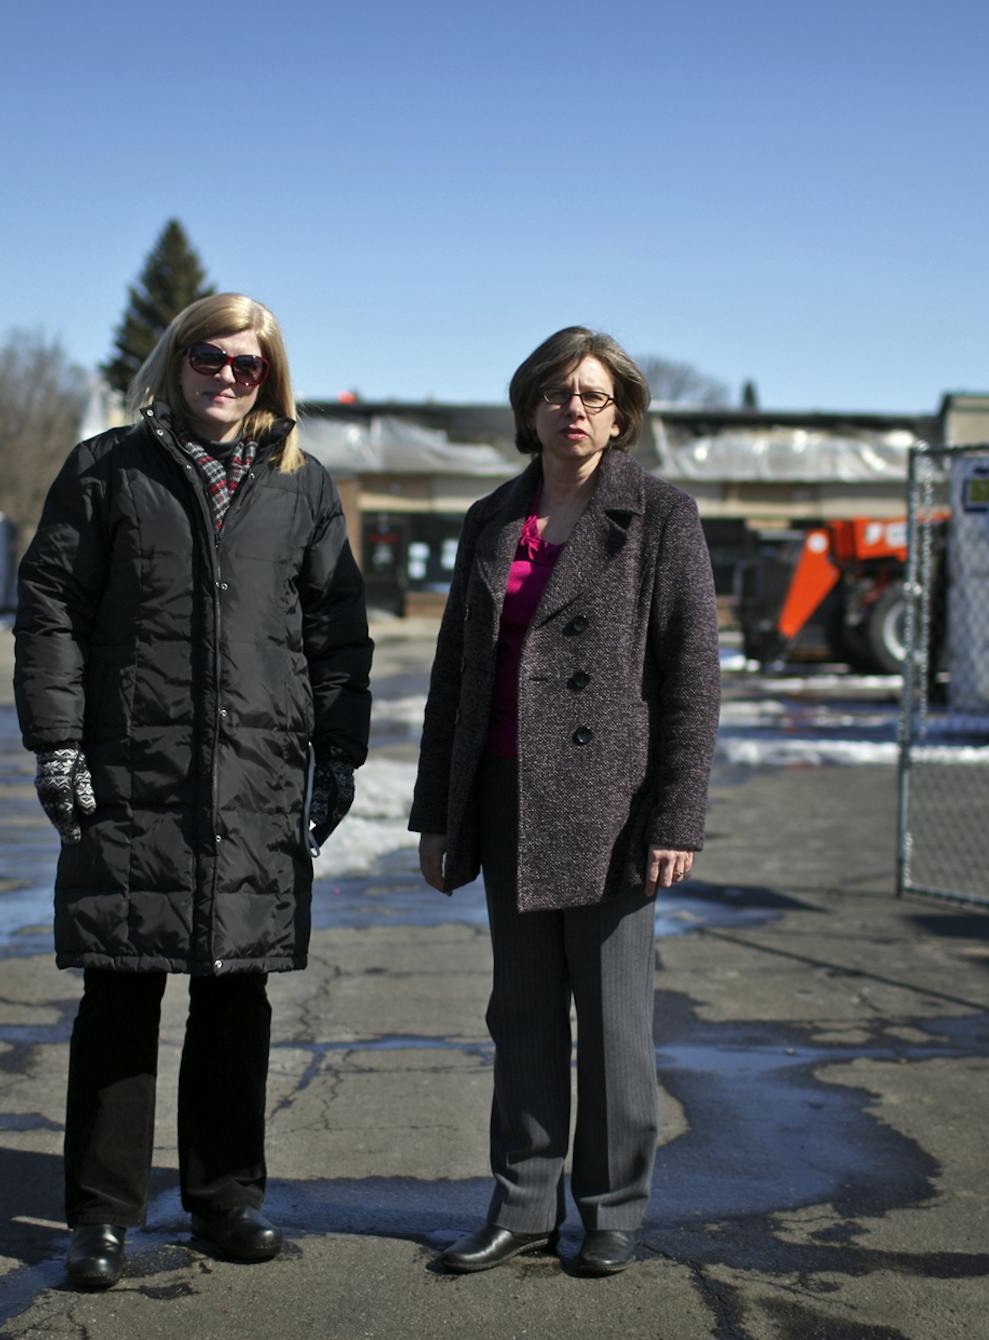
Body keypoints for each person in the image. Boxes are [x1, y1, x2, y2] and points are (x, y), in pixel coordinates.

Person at [14, 293, 371, 1290]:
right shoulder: (107, 469)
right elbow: (52, 607)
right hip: (134, 770)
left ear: (269, 378)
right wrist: (58, 743)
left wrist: (338, 753)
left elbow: (336, 630)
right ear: (175, 362)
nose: (226, 376)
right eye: (209, 357)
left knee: (235, 989)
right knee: (120, 986)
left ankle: (225, 1199)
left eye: (246, 364)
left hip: (255, 774)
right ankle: (101, 1215)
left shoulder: (301, 484)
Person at [409, 326, 720, 1276]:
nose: (573, 409)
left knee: (616, 1024)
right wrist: (437, 815)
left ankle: (614, 1208)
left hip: (612, 807)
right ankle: (523, 1206)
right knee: (523, 1013)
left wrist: (676, 816)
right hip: (505, 794)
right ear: (529, 409)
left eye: (592, 395)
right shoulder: (493, 517)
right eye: (556, 393)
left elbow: (693, 678)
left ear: (621, 415)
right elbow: (456, 675)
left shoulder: (660, 516)